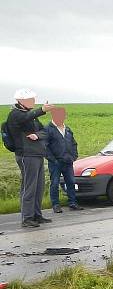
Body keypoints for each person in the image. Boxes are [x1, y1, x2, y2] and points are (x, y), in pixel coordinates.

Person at [6, 89, 54, 227]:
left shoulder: (30, 116)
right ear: (21, 101)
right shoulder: (15, 114)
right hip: (26, 155)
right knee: (29, 187)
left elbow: (44, 131)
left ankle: (37, 215)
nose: (33, 101)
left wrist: (37, 135)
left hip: (37, 154)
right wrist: (42, 110)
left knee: (38, 187)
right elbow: (25, 118)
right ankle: (27, 218)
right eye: (30, 99)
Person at [44, 107, 83, 213]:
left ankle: (73, 203)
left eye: (63, 115)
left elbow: (74, 143)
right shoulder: (48, 129)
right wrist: (53, 159)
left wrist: (74, 155)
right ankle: (56, 205)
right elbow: (45, 147)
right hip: (55, 162)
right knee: (55, 183)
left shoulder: (68, 129)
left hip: (68, 161)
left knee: (71, 182)